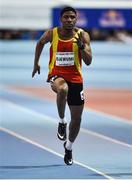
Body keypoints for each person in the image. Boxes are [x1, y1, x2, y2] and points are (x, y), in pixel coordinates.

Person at [32, 6, 92, 165]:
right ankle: (61, 121)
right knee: (63, 89)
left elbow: (88, 61)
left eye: (72, 17)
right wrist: (36, 63)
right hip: (56, 75)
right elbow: (40, 43)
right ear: (61, 19)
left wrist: (81, 47)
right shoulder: (53, 33)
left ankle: (69, 147)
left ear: (76, 19)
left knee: (77, 120)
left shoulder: (83, 35)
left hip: (76, 79)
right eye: (66, 17)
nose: (69, 20)